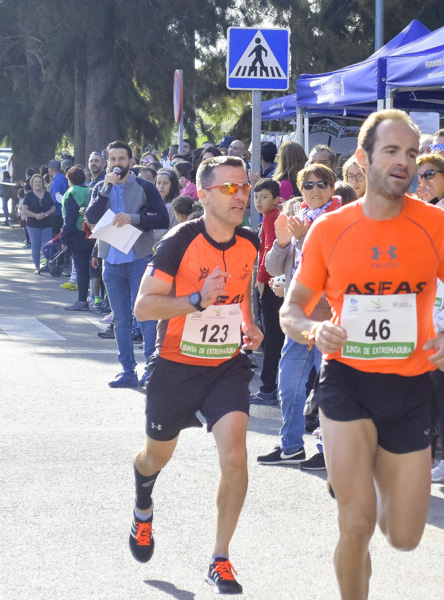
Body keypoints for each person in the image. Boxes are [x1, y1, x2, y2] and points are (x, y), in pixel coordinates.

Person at [279, 109, 444, 600]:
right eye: (392, 151)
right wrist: (314, 331)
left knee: (403, 536)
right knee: (356, 523)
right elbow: (291, 311)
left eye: (411, 153)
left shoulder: (434, 224)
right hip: (348, 383)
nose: (404, 163)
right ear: (363, 159)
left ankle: (364, 482)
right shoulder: (330, 228)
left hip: (410, 390)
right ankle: (353, 496)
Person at [126, 155, 263, 596]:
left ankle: (219, 558)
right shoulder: (177, 242)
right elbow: (143, 307)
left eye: (243, 187)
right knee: (155, 458)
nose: (240, 195)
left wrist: (250, 322)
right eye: (229, 189)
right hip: (176, 365)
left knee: (236, 457)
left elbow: (240, 291)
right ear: (202, 195)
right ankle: (143, 504)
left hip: (225, 364)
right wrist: (196, 300)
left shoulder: (250, 241)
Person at [257, 164, 342, 468]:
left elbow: (333, 265)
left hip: (327, 318)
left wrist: (304, 239)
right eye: (308, 185)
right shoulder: (296, 217)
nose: (315, 190)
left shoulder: (340, 219)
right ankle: (291, 446)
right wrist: (282, 242)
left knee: (326, 387)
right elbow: (274, 265)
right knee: (289, 385)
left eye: (322, 184)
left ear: (332, 188)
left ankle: (326, 449)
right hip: (296, 319)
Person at [83, 141, 170, 389]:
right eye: (112, 159)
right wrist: (106, 188)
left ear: (130, 162)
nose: (117, 163)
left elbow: (162, 218)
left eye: (122, 159)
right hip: (111, 262)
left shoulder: (144, 186)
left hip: (138, 260)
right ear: (107, 162)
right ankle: (127, 370)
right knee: (120, 319)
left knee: (144, 315)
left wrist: (134, 218)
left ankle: (152, 370)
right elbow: (91, 217)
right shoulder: (101, 186)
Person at [251, 178, 284, 407]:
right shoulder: (268, 217)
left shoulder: (273, 218)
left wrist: (261, 280)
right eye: (256, 196)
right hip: (272, 284)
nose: (259, 201)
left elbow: (269, 253)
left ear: (276, 199)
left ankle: (268, 388)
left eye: (264, 197)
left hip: (272, 286)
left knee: (272, 338)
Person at [60, 166, 95, 311]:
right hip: (92, 233)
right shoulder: (90, 190)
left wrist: (64, 238)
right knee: (93, 269)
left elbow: (70, 218)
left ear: (69, 179)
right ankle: (94, 297)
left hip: (78, 234)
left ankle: (81, 300)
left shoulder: (71, 192)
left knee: (81, 269)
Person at [20, 175, 57, 273]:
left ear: (43, 183)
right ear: (32, 184)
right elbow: (24, 210)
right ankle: (37, 267)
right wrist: (35, 215)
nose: (37, 184)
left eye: (39, 182)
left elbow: (53, 208)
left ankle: (47, 264)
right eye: (35, 182)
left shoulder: (47, 194)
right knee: (35, 245)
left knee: (47, 246)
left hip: (46, 223)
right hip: (33, 224)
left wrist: (45, 214)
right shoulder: (29, 195)